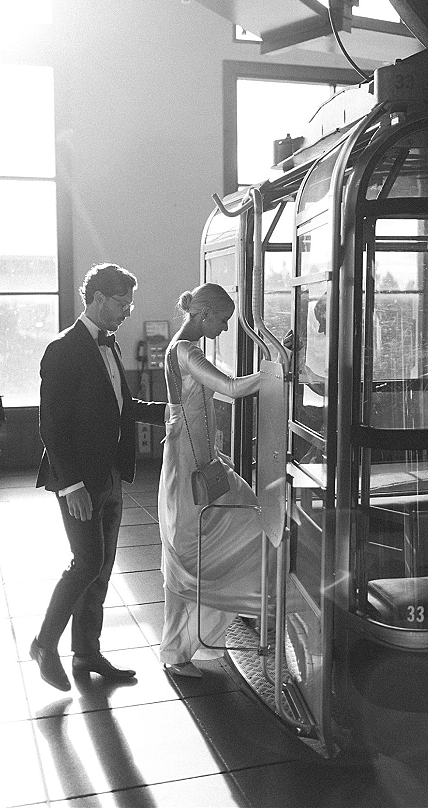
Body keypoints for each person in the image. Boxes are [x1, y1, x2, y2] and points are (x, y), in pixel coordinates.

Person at [31, 263, 167, 691]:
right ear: (98, 299)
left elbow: (124, 406)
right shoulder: (63, 348)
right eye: (122, 304)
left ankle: (87, 652)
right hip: (79, 480)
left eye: (130, 305)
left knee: (102, 568)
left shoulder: (111, 345)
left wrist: (173, 412)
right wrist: (71, 486)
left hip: (110, 475)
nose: (127, 312)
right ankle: (44, 645)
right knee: (86, 562)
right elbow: (51, 426)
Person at [159, 283, 265, 679]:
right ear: (203, 315)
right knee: (199, 548)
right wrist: (276, 367)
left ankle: (195, 640)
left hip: (193, 460)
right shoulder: (188, 351)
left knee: (206, 543)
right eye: (222, 320)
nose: (224, 328)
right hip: (192, 464)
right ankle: (182, 648)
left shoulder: (178, 348)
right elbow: (233, 389)